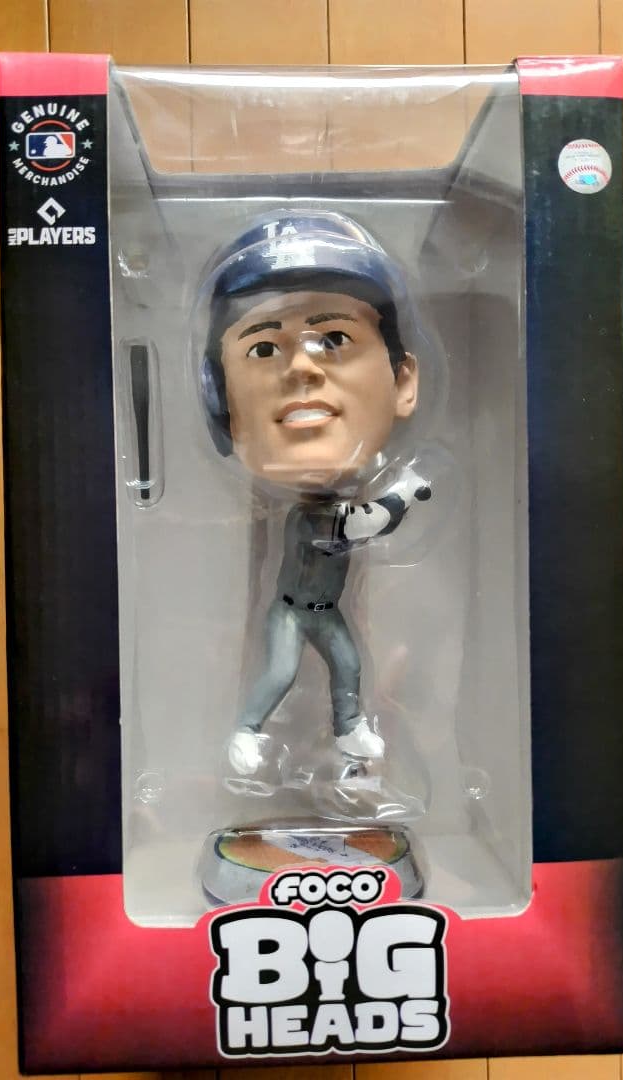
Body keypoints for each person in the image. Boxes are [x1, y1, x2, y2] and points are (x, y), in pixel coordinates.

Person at [199, 211, 431, 776]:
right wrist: (405, 491)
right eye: (263, 348)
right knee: (280, 673)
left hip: (325, 613)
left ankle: (350, 730)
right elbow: (368, 522)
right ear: (220, 400)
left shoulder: (334, 503)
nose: (302, 365)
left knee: (348, 665)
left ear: (402, 383)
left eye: (334, 339)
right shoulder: (314, 520)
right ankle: (247, 733)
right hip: (291, 613)